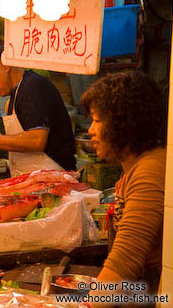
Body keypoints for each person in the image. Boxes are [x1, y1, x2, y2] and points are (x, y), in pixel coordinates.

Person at [81, 72, 165, 307]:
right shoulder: (133, 167)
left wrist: (86, 305)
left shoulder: (150, 170)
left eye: (97, 120)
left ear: (124, 122)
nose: (90, 130)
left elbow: (125, 260)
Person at [0, 43, 76, 175]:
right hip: (34, 178)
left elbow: (36, 140)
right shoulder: (16, 94)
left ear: (5, 65)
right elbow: (22, 140)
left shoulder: (32, 86)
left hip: (57, 179)